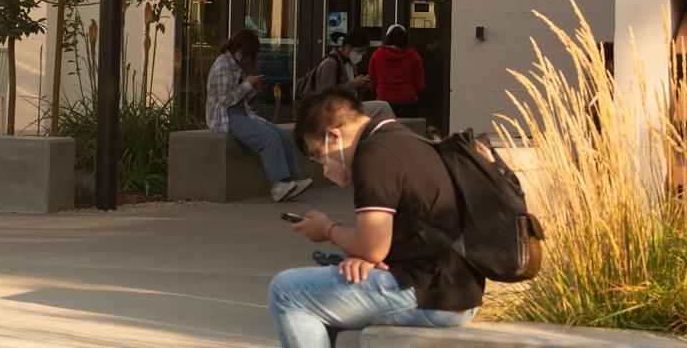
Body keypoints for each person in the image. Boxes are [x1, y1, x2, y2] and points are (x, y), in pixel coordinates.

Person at [267, 88, 482, 347]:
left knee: (287, 291)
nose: (324, 168)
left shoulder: (373, 157)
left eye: (319, 156)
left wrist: (327, 229)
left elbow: (372, 247)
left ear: (333, 136)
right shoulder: (399, 139)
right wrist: (368, 257)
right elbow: (396, 236)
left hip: (431, 296)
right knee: (322, 289)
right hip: (454, 290)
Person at [205, 28, 312, 203]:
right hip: (226, 116)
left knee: (283, 135)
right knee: (268, 138)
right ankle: (278, 184)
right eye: (250, 54)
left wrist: (251, 87)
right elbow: (225, 100)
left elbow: (241, 98)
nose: (250, 59)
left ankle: (292, 179)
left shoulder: (236, 65)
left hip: (242, 112)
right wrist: (246, 85)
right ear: (240, 49)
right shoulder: (222, 66)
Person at [368, 24, 425, 119]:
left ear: (387, 38)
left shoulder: (377, 55)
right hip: (408, 103)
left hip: (384, 103)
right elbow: (420, 86)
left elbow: (372, 84)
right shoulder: (414, 56)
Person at [313, 28, 372, 96]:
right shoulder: (330, 63)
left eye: (363, 52)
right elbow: (327, 93)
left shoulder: (351, 62)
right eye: (359, 51)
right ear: (348, 47)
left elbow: (352, 90)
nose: (360, 55)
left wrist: (362, 83)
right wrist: (353, 83)